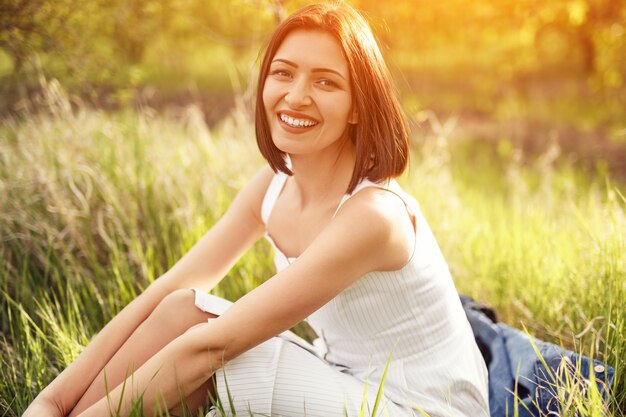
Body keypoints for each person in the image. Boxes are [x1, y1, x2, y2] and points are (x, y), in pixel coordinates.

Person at [23, 3, 489, 417]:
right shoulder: (274, 185)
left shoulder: (374, 216)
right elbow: (170, 290)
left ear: (356, 107)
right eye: (283, 73)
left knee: (198, 348)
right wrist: (52, 400)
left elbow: (213, 345)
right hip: (347, 380)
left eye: (326, 82)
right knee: (180, 309)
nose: (296, 95)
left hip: (418, 407)